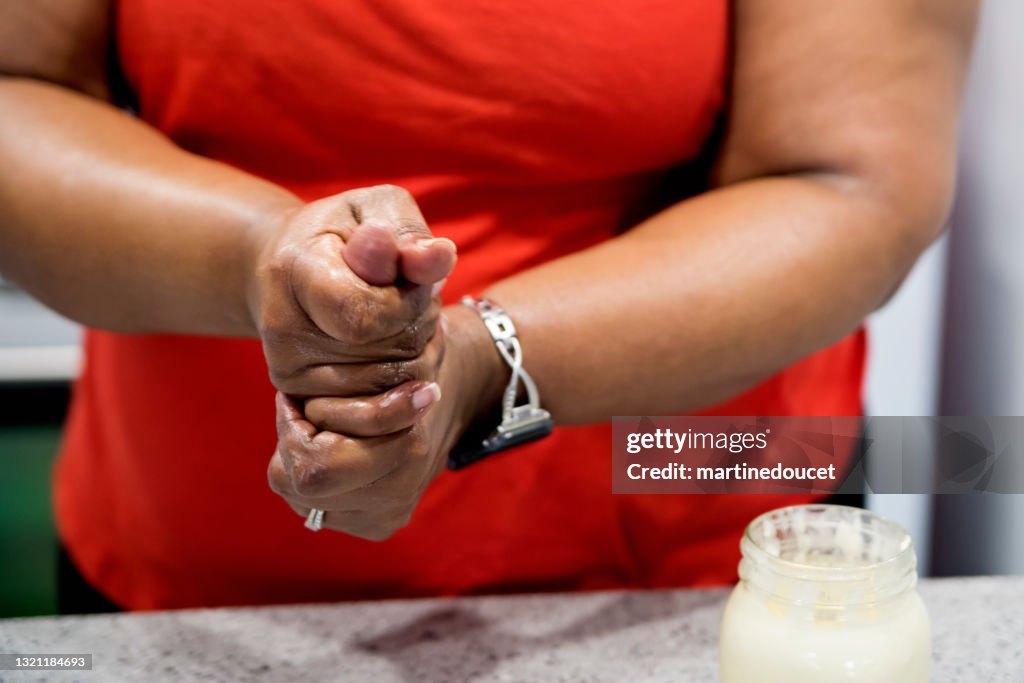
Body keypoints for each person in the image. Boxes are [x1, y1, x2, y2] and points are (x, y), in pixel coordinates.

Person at [0, 0, 977, 612]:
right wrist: (260, 259)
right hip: (191, 573)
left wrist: (479, 365)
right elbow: (17, 91)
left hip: (678, 558)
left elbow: (849, 185)